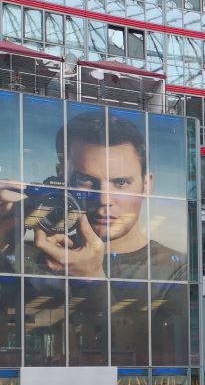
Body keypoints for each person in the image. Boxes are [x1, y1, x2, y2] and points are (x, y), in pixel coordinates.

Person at [2, 110, 186, 280]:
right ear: (61, 177)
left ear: (146, 185)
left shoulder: (179, 271)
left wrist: (92, 281)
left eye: (120, 182)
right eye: (85, 180)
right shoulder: (24, 256)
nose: (103, 200)